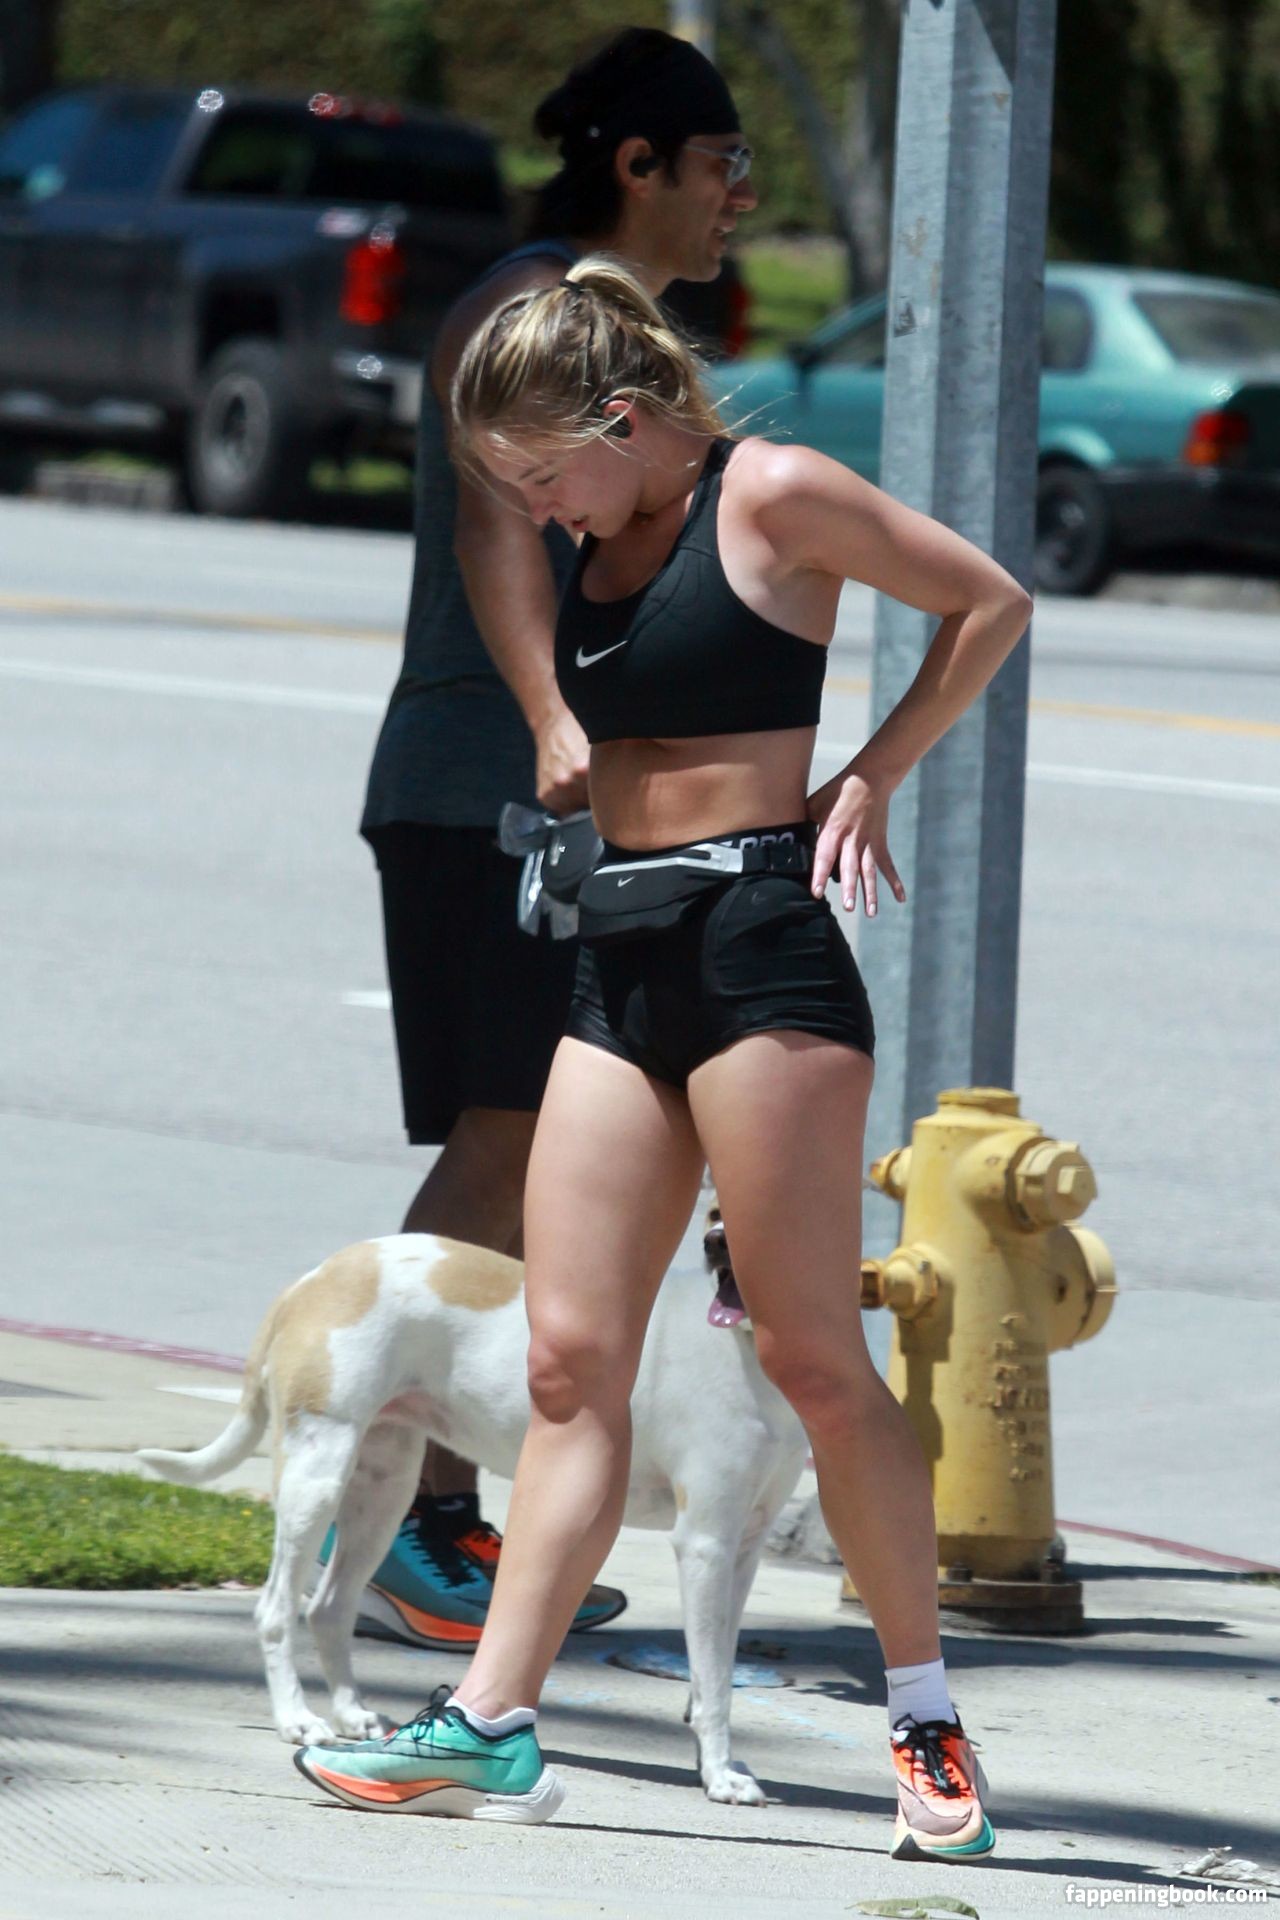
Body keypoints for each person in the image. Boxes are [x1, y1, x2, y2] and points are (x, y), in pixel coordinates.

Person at [297, 256, 1032, 1858]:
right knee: (569, 1366)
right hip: (617, 959)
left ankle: (925, 1720)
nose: (541, 512)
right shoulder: (597, 530)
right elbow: (544, 600)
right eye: (517, 490)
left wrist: (875, 771)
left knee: (813, 1360)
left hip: (760, 954)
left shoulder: (772, 495)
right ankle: (492, 1724)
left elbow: (990, 601)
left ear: (625, 420)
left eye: (546, 476)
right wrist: (558, 730)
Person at [344, 28, 759, 1651]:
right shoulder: (527, 310)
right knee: (511, 1142)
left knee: (549, 1149)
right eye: (722, 162)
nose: (740, 195)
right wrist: (551, 721)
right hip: (491, 789)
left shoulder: (611, 319)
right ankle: (407, 1516)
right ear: (637, 165)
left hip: (550, 788)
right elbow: (497, 526)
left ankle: (435, 1510)